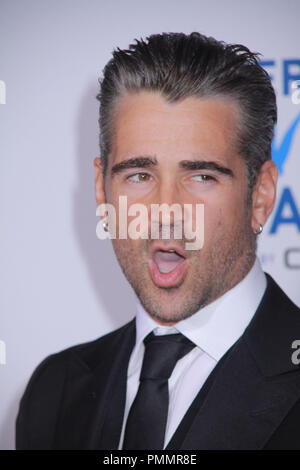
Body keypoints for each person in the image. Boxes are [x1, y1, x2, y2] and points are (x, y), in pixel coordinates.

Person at [16, 32, 300, 450]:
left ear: (260, 196)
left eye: (202, 176)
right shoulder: (54, 390)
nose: (166, 212)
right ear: (101, 188)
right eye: (139, 175)